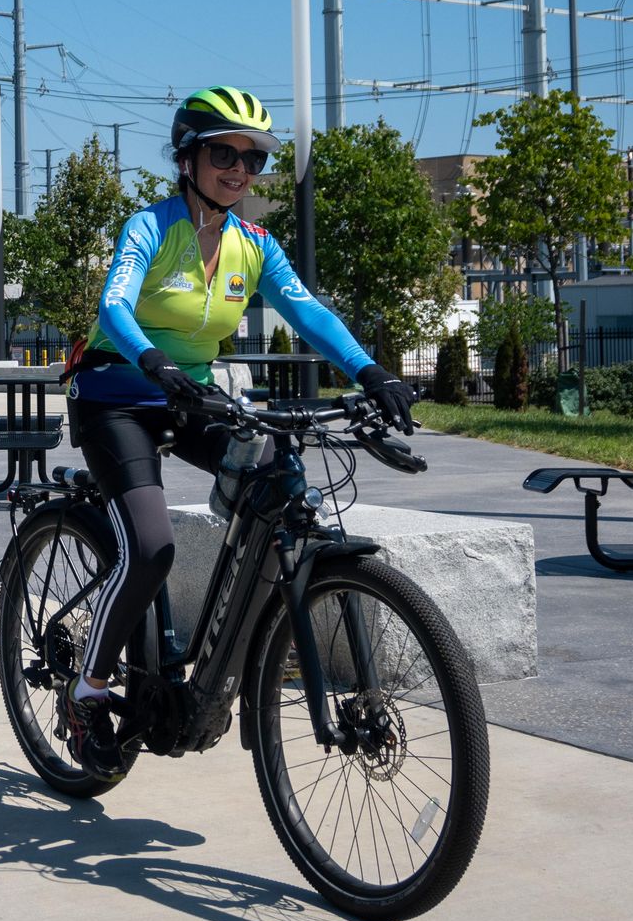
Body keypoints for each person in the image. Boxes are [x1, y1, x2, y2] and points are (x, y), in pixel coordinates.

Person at [61, 86, 415, 776]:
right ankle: (88, 686)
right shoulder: (150, 227)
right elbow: (114, 301)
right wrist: (153, 359)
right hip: (116, 391)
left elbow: (308, 311)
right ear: (188, 155)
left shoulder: (254, 246)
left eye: (252, 158)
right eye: (224, 152)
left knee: (272, 478)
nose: (240, 170)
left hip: (189, 395)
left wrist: (371, 371)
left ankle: (221, 661)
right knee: (152, 545)